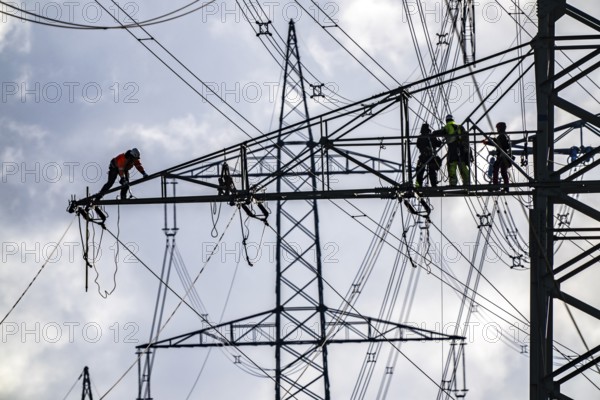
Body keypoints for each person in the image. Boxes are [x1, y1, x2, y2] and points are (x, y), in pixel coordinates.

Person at [442, 114, 471, 186]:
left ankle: (453, 182)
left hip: (452, 149)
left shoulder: (447, 127)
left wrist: (433, 133)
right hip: (461, 149)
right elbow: (465, 136)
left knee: (452, 165)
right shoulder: (460, 127)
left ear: (446, 120)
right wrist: (466, 148)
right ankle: (467, 182)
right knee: (463, 166)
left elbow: (441, 133)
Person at [483, 122, 512, 191]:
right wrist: (492, 140)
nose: (497, 130)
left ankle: (495, 185)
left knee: (495, 169)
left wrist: (487, 142)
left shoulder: (502, 136)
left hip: (502, 156)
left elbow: (498, 144)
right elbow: (498, 143)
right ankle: (506, 187)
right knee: (503, 172)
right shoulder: (504, 136)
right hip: (505, 156)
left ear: (500, 128)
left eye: (497, 128)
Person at [415, 123, 442, 188]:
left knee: (419, 170)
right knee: (432, 170)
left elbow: (418, 145)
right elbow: (438, 144)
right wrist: (439, 141)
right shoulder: (431, 136)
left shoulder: (420, 137)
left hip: (423, 157)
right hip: (431, 157)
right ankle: (434, 184)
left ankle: (418, 185)